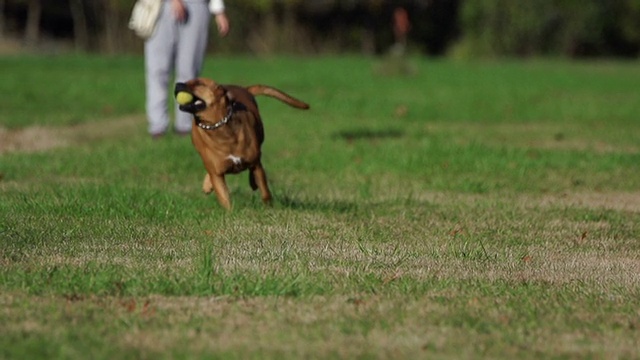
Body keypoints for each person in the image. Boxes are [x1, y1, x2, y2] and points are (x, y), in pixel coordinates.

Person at [145, 0, 230, 138]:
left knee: (189, 71)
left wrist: (219, 10)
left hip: (196, 6)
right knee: (158, 70)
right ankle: (157, 126)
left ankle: (184, 126)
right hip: (162, 6)